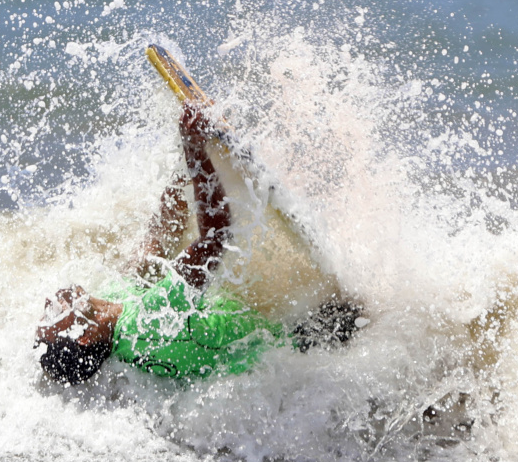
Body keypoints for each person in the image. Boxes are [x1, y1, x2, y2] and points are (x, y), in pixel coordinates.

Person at [34, 102, 360, 385]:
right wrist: (195, 150)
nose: (50, 304)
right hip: (303, 340)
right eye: (53, 320)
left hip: (252, 323)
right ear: (86, 336)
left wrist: (186, 163)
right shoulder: (147, 326)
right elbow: (216, 236)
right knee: (362, 314)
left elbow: (159, 236)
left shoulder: (112, 302)